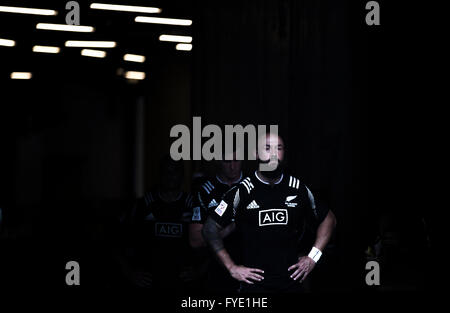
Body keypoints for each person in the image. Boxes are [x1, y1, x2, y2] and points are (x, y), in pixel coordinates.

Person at [202, 132, 337, 293]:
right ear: (256, 154)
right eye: (267, 148)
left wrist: (312, 258)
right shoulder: (242, 191)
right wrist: (231, 267)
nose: (273, 154)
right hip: (255, 287)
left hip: (291, 285)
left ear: (284, 153)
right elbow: (209, 229)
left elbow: (329, 219)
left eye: (278, 148)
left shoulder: (297, 187)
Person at [117, 155, 194, 292]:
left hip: (183, 286)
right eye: (166, 171)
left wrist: (198, 271)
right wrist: (129, 273)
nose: (170, 176)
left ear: (181, 175)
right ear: (160, 174)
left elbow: (213, 243)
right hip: (149, 286)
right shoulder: (142, 205)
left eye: (174, 171)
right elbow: (116, 241)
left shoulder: (193, 206)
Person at [189, 151, 244, 293]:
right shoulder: (205, 190)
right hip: (216, 268)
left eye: (236, 160)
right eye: (227, 161)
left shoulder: (254, 187)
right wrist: (233, 226)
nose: (232, 166)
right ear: (218, 161)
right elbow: (195, 241)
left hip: (251, 266)